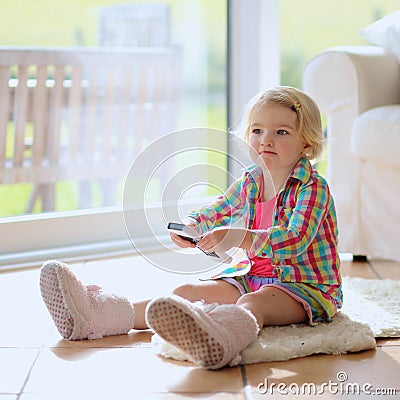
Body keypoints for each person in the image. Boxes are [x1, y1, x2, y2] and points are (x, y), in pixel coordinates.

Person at [40, 86, 342, 370]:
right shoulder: (252, 181)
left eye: (281, 132)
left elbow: (295, 239)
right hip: (254, 278)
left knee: (253, 303)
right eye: (257, 130)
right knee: (183, 292)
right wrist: (193, 225)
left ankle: (222, 338)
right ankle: (97, 316)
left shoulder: (313, 188)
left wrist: (239, 236)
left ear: (308, 143)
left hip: (304, 287)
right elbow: (218, 209)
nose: (266, 140)